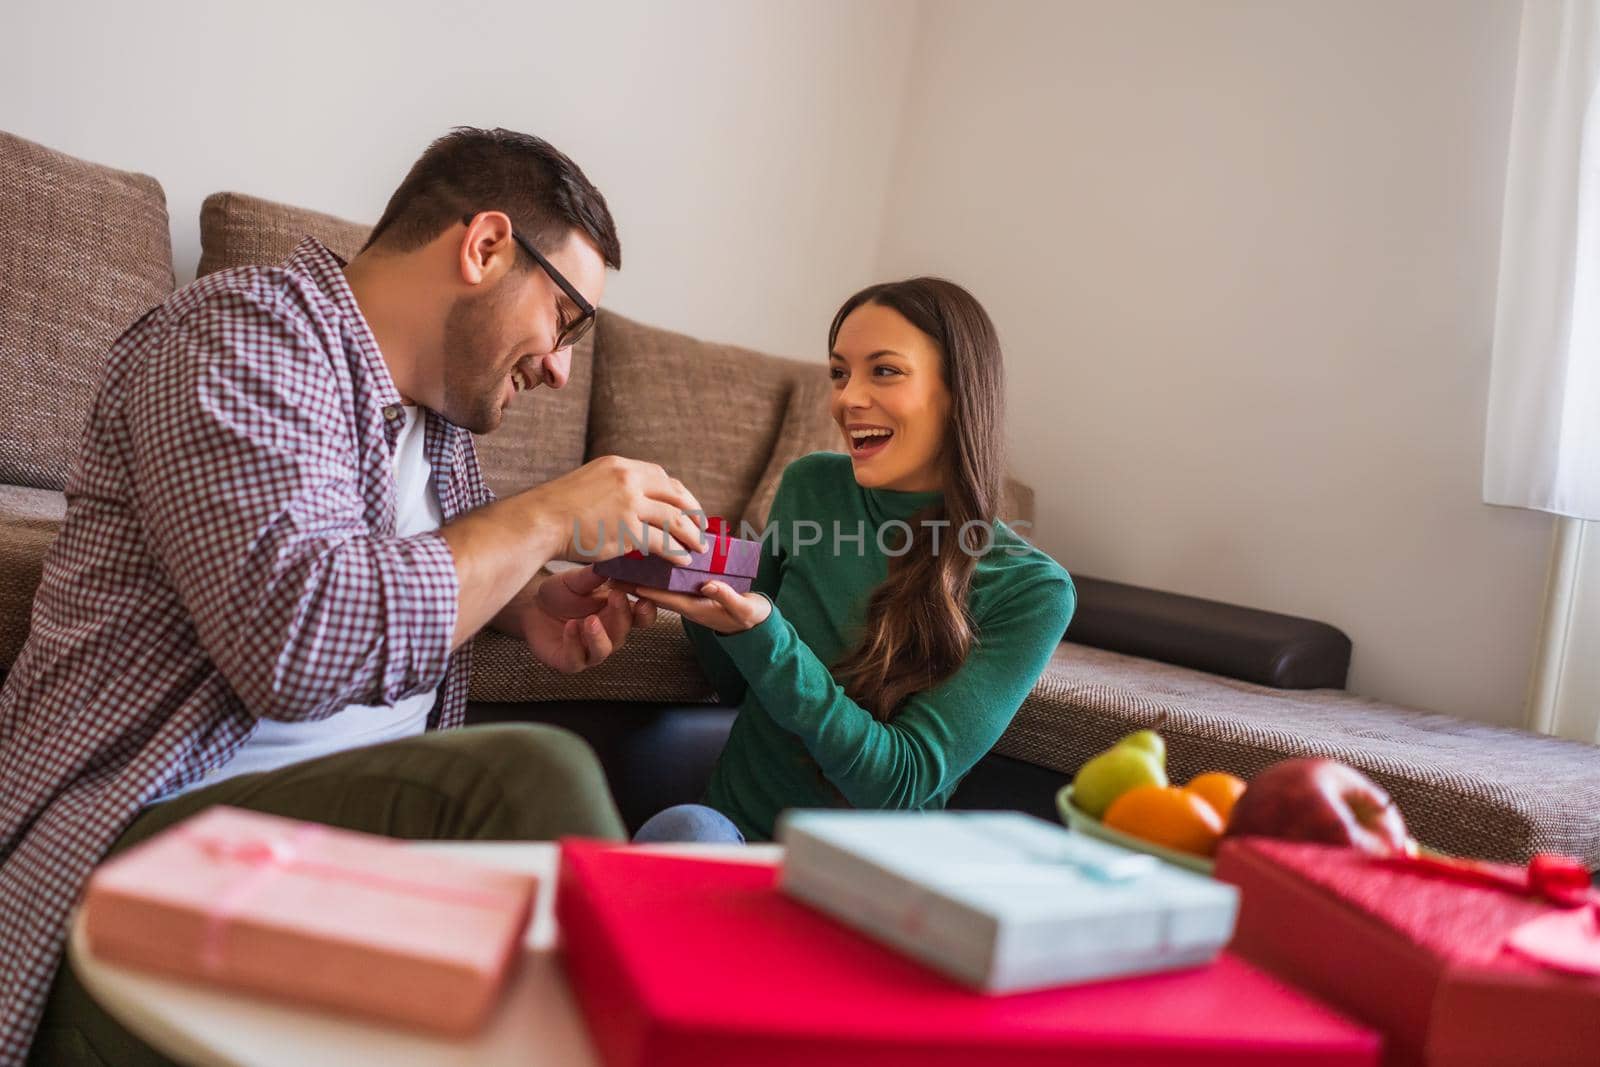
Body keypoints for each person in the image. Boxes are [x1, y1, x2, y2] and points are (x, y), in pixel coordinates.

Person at [0, 127, 709, 1066]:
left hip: (326, 866)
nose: (560, 366)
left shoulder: (440, 427)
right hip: (144, 855)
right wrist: (545, 517)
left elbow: (392, 553)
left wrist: (527, 602)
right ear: (486, 245)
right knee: (535, 780)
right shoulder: (239, 337)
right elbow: (297, 640)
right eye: (566, 317)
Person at [628, 278, 1076, 844]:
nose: (846, 399)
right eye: (840, 373)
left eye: (883, 371)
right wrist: (690, 583)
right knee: (687, 829)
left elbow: (897, 784)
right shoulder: (811, 485)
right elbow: (739, 682)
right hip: (731, 836)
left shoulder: (1033, 590)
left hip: (862, 877)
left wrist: (766, 634)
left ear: (958, 392)